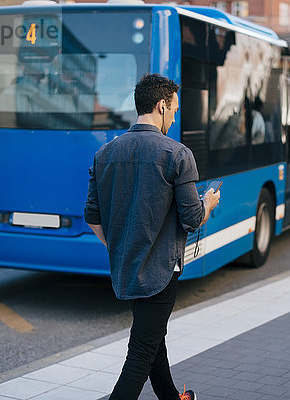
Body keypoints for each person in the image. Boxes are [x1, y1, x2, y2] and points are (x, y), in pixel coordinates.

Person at [84, 73, 220, 400]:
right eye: (173, 110)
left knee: (152, 339)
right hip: (161, 273)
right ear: (161, 106)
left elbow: (92, 215)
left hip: (127, 268)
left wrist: (119, 246)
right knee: (140, 353)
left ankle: (173, 398)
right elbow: (192, 219)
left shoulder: (105, 153)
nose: (174, 118)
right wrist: (209, 204)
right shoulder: (177, 154)